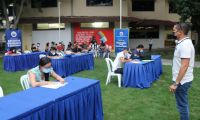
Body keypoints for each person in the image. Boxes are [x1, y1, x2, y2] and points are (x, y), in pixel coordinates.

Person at [169, 23, 195, 120]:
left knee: (182, 106)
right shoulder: (182, 42)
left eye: (174, 30)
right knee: (182, 104)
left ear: (181, 32)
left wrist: (176, 83)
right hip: (181, 80)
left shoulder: (185, 45)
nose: (173, 31)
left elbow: (184, 65)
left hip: (182, 81)